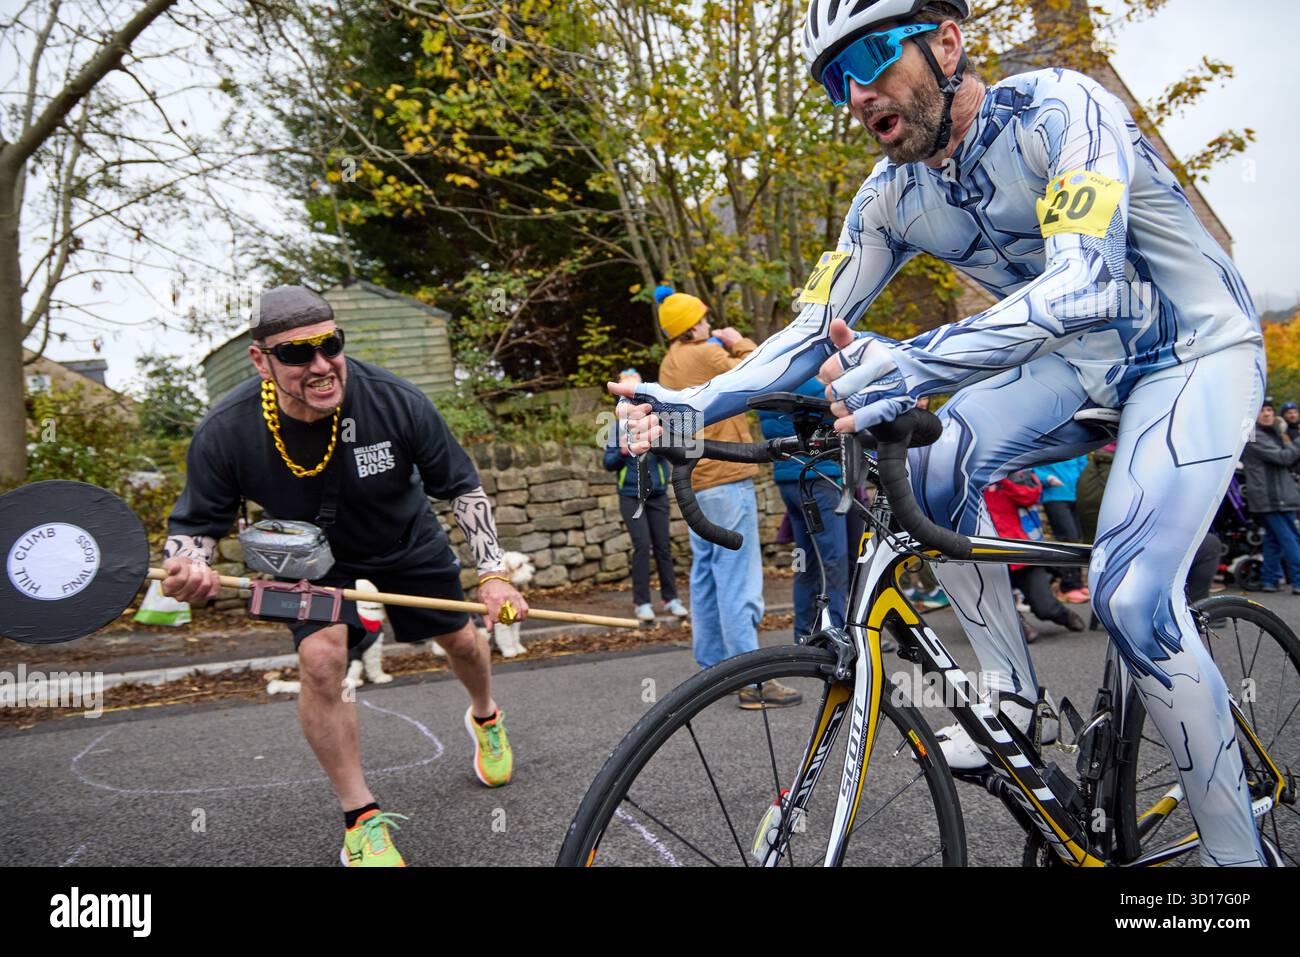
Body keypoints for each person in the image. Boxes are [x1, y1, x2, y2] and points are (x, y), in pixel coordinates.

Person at [613, 1, 1268, 863]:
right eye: (833, 79)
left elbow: (1084, 285)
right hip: (1073, 368)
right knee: (925, 470)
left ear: (949, 43)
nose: (855, 93)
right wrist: (683, 408)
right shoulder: (890, 197)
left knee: (1134, 596)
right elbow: (812, 328)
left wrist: (916, 363)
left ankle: (1235, 869)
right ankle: (1012, 701)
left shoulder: (1061, 110)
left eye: (874, 57)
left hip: (1192, 348)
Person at [162, 285, 527, 866]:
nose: (321, 365)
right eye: (296, 354)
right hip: (306, 560)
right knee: (324, 659)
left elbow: (461, 486)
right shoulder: (226, 431)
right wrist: (190, 564)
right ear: (261, 360)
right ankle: (361, 818)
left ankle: (486, 715)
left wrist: (492, 574)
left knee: (462, 639)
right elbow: (195, 528)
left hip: (403, 539)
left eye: (330, 345)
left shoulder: (396, 401)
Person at [650, 284, 800, 708]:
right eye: (704, 317)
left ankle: (713, 668)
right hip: (727, 478)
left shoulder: (669, 362)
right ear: (692, 325)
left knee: (708, 575)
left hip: (695, 480)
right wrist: (739, 342)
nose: (710, 322)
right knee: (739, 579)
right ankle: (752, 680)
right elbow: (759, 370)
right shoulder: (707, 353)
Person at [757, 375, 847, 639]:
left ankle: (803, 633)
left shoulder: (772, 381)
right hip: (818, 478)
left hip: (789, 480)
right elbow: (843, 411)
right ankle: (837, 631)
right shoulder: (809, 383)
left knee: (804, 561)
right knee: (833, 560)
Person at [604, 369, 688, 622]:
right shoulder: (616, 427)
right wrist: (623, 451)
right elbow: (607, 463)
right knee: (642, 546)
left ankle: (671, 599)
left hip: (657, 494)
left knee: (663, 547)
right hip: (631, 496)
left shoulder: (658, 421)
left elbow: (675, 451)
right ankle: (642, 603)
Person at [984, 471, 1086, 634]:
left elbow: (1030, 494)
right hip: (985, 553)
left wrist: (1002, 476)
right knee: (994, 605)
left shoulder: (1013, 468)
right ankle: (1018, 626)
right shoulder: (966, 476)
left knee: (1046, 609)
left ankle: (1064, 615)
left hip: (1021, 551)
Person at [1241, 401, 1300, 594]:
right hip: (1272, 498)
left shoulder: (1267, 433)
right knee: (1291, 539)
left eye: (1269, 410)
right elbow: (1284, 457)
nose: (1266, 414)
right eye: (1262, 410)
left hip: (1276, 497)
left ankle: (1269, 580)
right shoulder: (1253, 435)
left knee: (1274, 541)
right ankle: (1299, 581)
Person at [1031, 454, 1089, 602]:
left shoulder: (1077, 443)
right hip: (1054, 497)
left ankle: (1076, 583)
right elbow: (1032, 468)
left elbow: (1083, 465)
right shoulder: (1048, 444)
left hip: (1077, 496)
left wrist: (1084, 481)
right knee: (1069, 540)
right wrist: (1047, 478)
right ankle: (1067, 587)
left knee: (1077, 541)